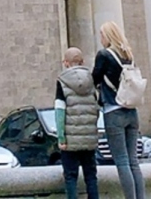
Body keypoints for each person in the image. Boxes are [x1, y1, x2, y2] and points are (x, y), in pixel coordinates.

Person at [93, 21, 146, 199]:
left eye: (102, 34)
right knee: (133, 161)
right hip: (131, 111)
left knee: (122, 161)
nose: (100, 38)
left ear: (108, 36)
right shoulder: (128, 55)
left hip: (113, 111)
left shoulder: (104, 55)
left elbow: (94, 78)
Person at [55, 46, 100, 199]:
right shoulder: (91, 80)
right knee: (91, 177)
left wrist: (61, 137)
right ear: (82, 62)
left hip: (70, 140)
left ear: (66, 63)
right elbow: (96, 108)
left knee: (70, 177)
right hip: (89, 138)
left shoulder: (62, 81)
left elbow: (59, 111)